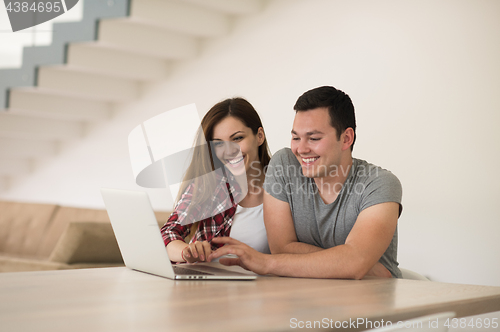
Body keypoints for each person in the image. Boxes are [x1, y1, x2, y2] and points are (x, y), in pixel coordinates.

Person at [208, 86, 403, 279]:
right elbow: (281, 248)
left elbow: (355, 264)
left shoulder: (380, 184)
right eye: (296, 137)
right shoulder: (284, 164)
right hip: (309, 298)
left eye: (314, 138)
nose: (301, 149)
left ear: (346, 138)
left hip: (371, 301)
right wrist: (344, 260)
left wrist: (265, 262)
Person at [160, 98, 272, 263]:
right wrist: (187, 252)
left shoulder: (286, 187)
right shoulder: (209, 186)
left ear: (259, 136)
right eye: (219, 144)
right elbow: (168, 233)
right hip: (210, 286)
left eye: (237, 138)